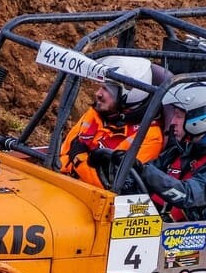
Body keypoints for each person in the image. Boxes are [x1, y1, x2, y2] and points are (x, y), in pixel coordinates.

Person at [138, 81, 206, 221]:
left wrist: (146, 172)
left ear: (201, 119)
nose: (173, 122)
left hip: (200, 235)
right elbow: (154, 167)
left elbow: (188, 196)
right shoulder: (192, 143)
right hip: (170, 225)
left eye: (179, 116)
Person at [59, 55, 165, 188]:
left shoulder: (150, 137)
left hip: (98, 201)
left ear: (132, 94)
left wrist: (79, 160)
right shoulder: (96, 113)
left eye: (107, 89)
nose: (98, 94)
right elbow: (63, 155)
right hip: (63, 183)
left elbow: (113, 186)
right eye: (101, 86)